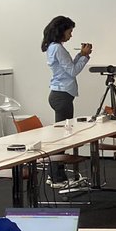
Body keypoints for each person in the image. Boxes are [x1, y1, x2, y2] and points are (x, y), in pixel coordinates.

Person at [41, 15, 91, 184]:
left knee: (61, 135)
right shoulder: (58, 49)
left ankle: (55, 174)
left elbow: (68, 68)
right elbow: (73, 72)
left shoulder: (54, 47)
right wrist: (83, 56)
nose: (71, 35)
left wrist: (80, 55)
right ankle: (56, 176)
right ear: (61, 31)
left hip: (60, 94)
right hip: (62, 96)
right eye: (70, 31)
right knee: (61, 137)